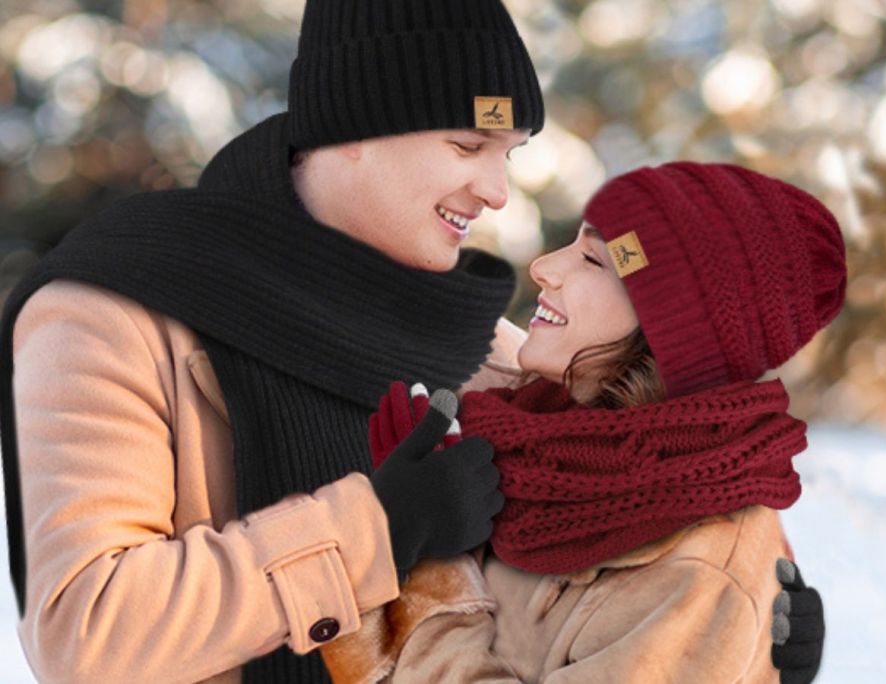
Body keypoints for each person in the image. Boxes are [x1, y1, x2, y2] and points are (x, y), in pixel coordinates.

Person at [0, 1, 543, 682]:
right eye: (467, 147)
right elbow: (88, 633)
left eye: (510, 153)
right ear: (355, 126)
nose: (498, 191)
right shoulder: (114, 312)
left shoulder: (491, 352)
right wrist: (376, 528)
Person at [324, 161, 840, 683]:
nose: (544, 266)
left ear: (673, 332)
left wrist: (425, 569)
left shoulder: (696, 573)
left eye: (593, 259)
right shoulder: (519, 429)